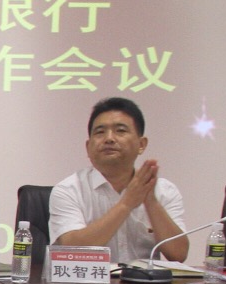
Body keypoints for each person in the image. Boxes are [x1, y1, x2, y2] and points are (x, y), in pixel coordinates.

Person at [48, 96, 187, 263]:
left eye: (120, 131)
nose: (109, 138)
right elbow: (72, 250)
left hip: (143, 280)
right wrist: (126, 204)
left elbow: (179, 254)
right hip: (90, 280)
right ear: (88, 147)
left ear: (141, 144)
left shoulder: (164, 190)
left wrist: (151, 202)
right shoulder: (69, 190)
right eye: (100, 132)